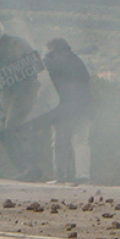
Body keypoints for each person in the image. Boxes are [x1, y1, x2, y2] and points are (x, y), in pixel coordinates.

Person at [0, 17, 47, 181]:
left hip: (24, 91)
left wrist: (11, 68)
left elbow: (32, 63)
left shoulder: (15, 44)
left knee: (12, 128)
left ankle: (30, 167)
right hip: (7, 96)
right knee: (2, 132)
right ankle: (23, 168)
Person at [43, 38, 92, 182]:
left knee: (59, 143)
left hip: (62, 109)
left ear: (52, 48)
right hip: (83, 107)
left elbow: (44, 82)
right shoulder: (77, 60)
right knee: (81, 141)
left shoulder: (51, 61)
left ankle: (59, 176)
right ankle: (83, 176)